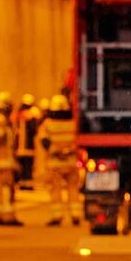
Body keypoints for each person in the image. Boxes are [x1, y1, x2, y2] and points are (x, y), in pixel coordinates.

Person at [38, 95, 81, 226]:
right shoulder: (73, 123)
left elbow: (44, 141)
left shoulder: (47, 124)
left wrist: (56, 151)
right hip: (71, 161)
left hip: (55, 162)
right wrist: (68, 151)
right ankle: (75, 215)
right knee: (73, 189)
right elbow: (78, 140)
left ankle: (57, 216)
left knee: (55, 190)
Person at [0, 93, 23, 226]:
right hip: (2, 162)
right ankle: (7, 216)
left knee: (4, 190)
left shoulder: (2, 121)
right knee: (6, 189)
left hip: (4, 161)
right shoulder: (0, 120)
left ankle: (4, 215)